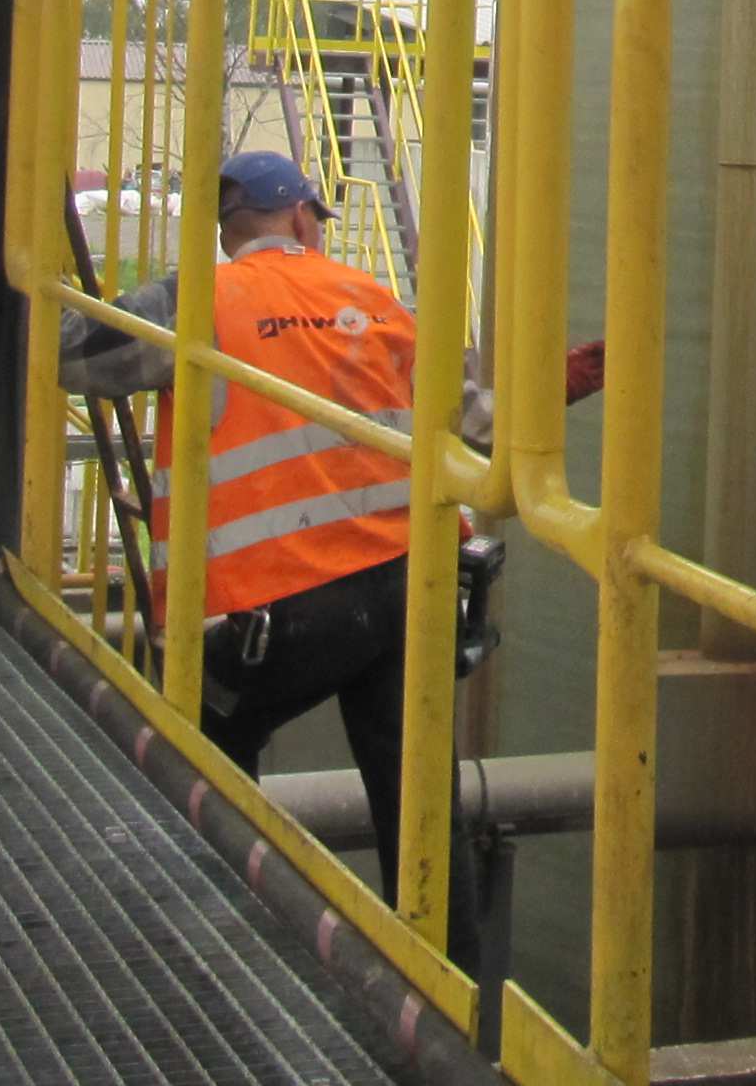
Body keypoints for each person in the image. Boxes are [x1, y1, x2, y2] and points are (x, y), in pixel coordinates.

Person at [61, 150, 603, 900]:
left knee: (204, 763)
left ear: (229, 230)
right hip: (407, 589)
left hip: (277, 616)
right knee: (419, 802)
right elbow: (478, 421)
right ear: (301, 218)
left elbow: (75, 359)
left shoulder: (199, 301)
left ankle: (227, 923)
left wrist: (29, 273)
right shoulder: (373, 299)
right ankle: (448, 959)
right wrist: (560, 383)